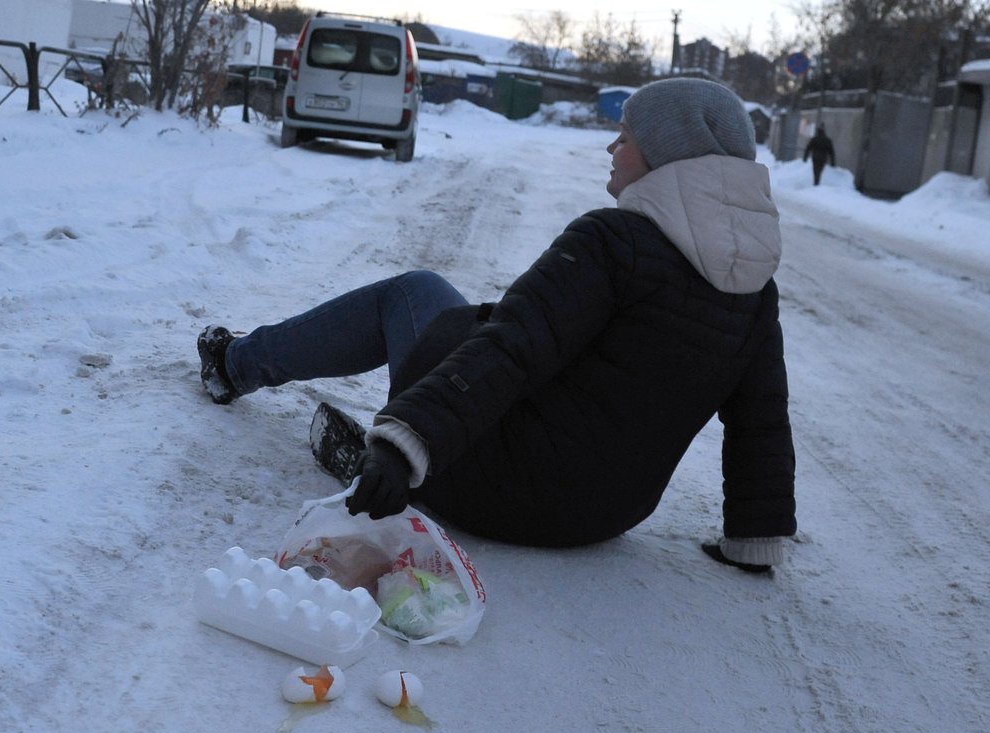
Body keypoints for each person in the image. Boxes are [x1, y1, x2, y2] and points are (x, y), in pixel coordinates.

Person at [198, 78, 797, 573]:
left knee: (416, 293)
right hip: (604, 517)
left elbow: (512, 349)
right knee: (474, 317)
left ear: (667, 157)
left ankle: (233, 365)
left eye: (625, 137)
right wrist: (754, 538)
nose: (611, 150)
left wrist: (407, 446)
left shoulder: (612, 241)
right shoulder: (752, 287)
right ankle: (399, 443)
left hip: (497, 488)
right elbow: (761, 418)